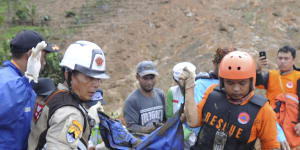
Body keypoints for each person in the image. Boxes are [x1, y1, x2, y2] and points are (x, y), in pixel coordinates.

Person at [181, 51, 280, 149]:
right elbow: (193, 122)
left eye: (242, 83)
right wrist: (189, 87)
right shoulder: (212, 92)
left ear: (251, 81)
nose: (236, 89)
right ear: (222, 81)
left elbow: (271, 146)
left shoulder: (263, 110)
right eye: (230, 83)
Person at [27, 40, 109, 150]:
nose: (96, 84)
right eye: (89, 77)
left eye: (98, 78)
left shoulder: (58, 95)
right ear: (68, 74)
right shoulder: (70, 113)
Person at [0, 30, 58, 150]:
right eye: (43, 55)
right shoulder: (7, 81)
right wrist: (29, 78)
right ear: (31, 54)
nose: (44, 62)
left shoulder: (20, 80)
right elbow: (10, 103)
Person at [256, 45, 300, 148]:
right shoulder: (272, 75)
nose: (282, 61)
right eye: (280, 58)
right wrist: (257, 70)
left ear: (293, 60)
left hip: (290, 123)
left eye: (286, 58)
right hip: (271, 121)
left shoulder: (298, 76)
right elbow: (258, 83)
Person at [123, 60, 166, 134]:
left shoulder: (160, 94)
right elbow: (131, 127)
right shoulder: (132, 101)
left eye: (152, 78)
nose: (149, 82)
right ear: (137, 77)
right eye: (145, 78)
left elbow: (165, 119)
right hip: (144, 143)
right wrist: (150, 129)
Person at [166, 62, 197, 149]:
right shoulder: (172, 92)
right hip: (176, 138)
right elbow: (169, 117)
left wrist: (185, 134)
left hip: (195, 140)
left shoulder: (198, 92)